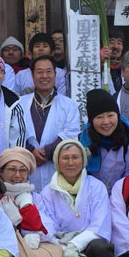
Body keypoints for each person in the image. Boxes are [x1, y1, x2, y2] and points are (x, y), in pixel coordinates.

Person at [40, 140, 116, 257]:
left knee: (102, 250)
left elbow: (100, 224)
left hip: (89, 239)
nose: (70, 162)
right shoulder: (47, 192)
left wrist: (75, 246)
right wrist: (63, 248)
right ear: (57, 162)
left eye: (75, 157)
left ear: (83, 160)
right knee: (49, 254)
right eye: (65, 158)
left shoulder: (96, 187)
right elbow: (47, 226)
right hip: (60, 241)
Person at [10, 55, 80, 192]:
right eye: (40, 72)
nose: (44, 76)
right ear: (32, 75)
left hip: (56, 168)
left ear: (55, 74)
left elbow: (70, 134)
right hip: (27, 167)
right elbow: (13, 132)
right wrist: (31, 152)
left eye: (49, 71)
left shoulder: (69, 104)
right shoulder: (19, 103)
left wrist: (47, 152)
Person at [79, 89, 129, 195]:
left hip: (123, 194)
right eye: (99, 117)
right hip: (92, 195)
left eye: (110, 115)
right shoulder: (84, 140)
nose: (106, 122)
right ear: (91, 120)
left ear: (117, 115)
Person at [100, 28, 124, 93]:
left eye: (119, 43)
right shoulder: (97, 68)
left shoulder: (125, 68)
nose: (115, 46)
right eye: (111, 42)